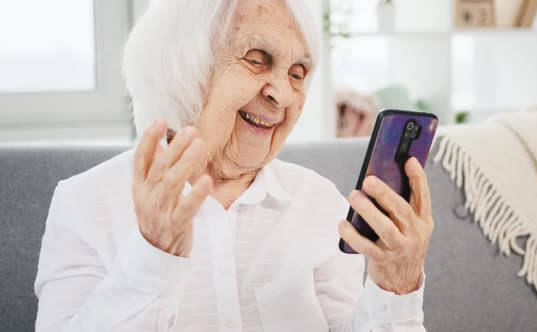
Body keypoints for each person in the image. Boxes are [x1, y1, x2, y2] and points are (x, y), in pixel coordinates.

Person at [35, 1, 433, 331]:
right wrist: (151, 255)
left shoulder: (318, 202)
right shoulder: (83, 203)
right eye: (257, 60)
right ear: (184, 68)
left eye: (297, 74)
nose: (281, 94)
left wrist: (396, 287)